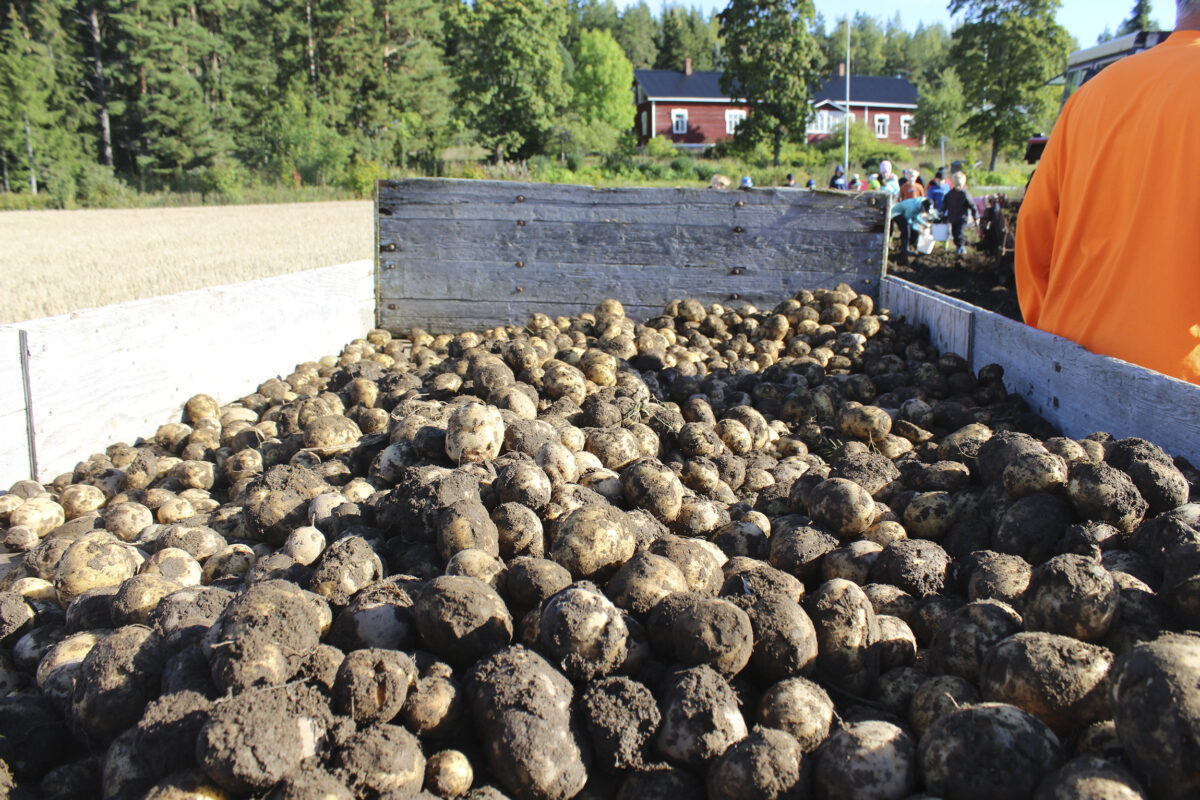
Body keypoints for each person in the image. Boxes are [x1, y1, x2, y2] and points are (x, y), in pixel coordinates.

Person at [1016, 1, 1200, 383]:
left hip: (1070, 367)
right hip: (1181, 386)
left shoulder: (1088, 95)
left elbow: (1034, 231)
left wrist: (1049, 331)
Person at [890, 197, 936, 265]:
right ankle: (904, 250)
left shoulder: (920, 207)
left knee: (915, 232)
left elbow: (916, 217)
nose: (925, 211)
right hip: (897, 213)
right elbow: (907, 218)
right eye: (925, 209)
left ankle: (910, 246)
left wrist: (924, 224)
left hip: (905, 215)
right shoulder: (913, 207)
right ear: (923, 206)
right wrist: (917, 227)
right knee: (906, 229)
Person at [943, 172, 978, 255]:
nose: (958, 186)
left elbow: (972, 206)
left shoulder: (965, 194)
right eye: (956, 184)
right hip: (952, 217)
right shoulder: (950, 194)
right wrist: (942, 211)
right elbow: (945, 204)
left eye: (959, 184)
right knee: (954, 233)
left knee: (959, 232)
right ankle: (958, 246)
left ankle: (961, 247)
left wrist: (976, 217)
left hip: (962, 217)